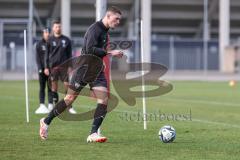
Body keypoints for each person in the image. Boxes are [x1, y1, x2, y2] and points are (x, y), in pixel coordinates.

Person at [40, 6, 123, 143]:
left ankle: (93, 133)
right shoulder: (95, 29)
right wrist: (109, 53)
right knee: (69, 99)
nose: (118, 22)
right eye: (116, 19)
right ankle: (46, 121)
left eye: (119, 19)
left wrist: (101, 61)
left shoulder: (105, 32)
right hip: (83, 69)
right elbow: (89, 49)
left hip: (96, 70)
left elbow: (97, 50)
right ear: (108, 16)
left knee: (104, 98)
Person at [44, 20, 77, 114]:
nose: (58, 28)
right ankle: (55, 105)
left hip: (64, 67)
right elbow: (46, 54)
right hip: (53, 67)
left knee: (67, 86)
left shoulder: (66, 40)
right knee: (54, 87)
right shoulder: (49, 40)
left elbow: (70, 54)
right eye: (56, 27)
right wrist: (46, 67)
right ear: (53, 28)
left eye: (59, 26)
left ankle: (69, 107)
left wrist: (71, 66)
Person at [35, 28, 53, 113]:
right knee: (42, 87)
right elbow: (38, 58)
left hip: (51, 69)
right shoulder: (39, 44)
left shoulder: (53, 43)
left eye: (49, 32)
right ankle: (41, 104)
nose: (47, 34)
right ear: (43, 34)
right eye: (46, 32)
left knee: (50, 87)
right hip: (42, 70)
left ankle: (50, 104)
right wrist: (40, 68)